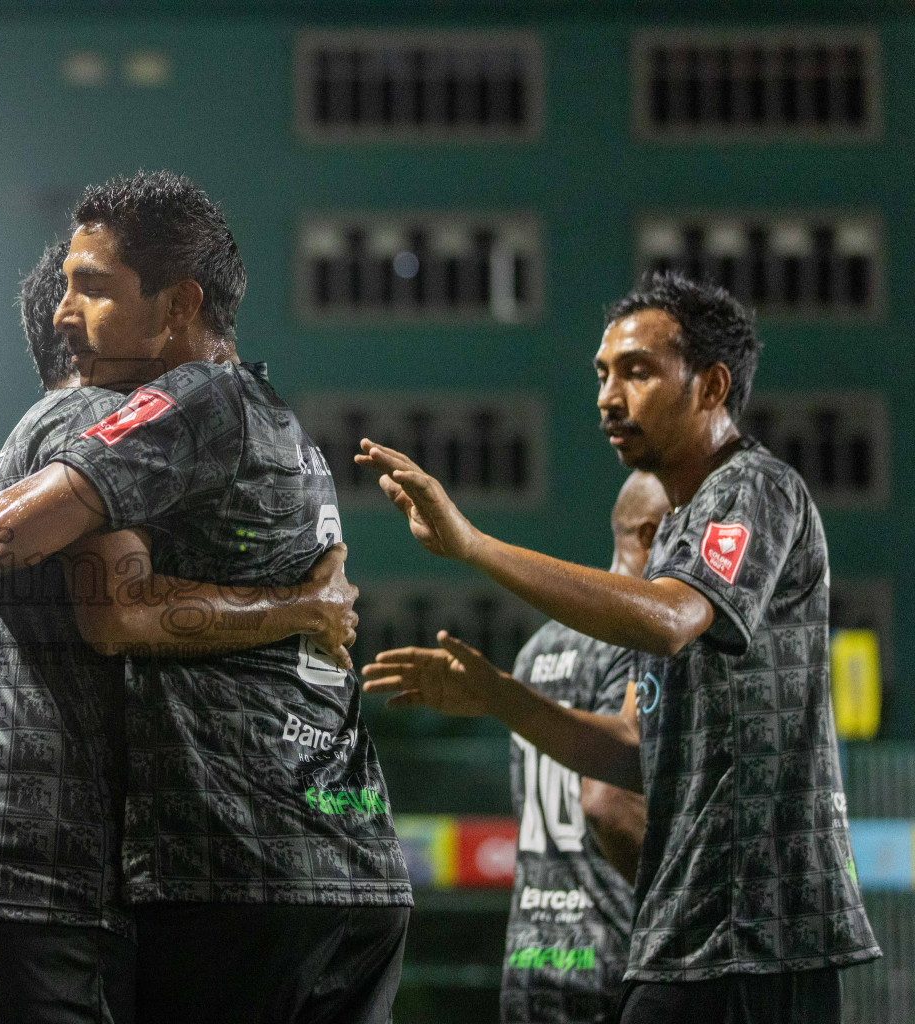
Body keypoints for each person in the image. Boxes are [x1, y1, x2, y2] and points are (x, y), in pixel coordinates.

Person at [0, 171, 412, 1024]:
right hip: (354, 862)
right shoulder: (278, 419)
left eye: (92, 287)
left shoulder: (187, 399)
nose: (62, 309)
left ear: (178, 305)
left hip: (234, 863)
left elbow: (17, 551)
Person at [357, 273, 879, 1023]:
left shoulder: (757, 486)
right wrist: (498, 696)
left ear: (712, 387)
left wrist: (475, 546)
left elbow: (669, 619)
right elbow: (632, 756)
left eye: (637, 371)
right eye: (603, 373)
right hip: (683, 938)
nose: (608, 395)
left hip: (761, 940)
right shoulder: (677, 532)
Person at [489, 471, 661, 1024]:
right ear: (654, 535)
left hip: (531, 955)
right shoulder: (634, 641)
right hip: (614, 960)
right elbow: (609, 804)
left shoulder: (538, 647)